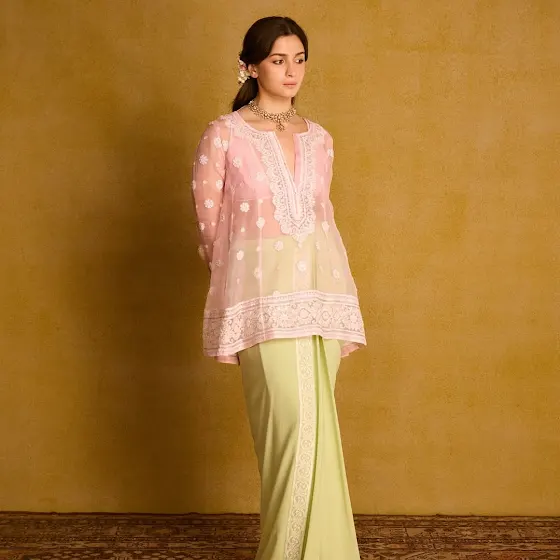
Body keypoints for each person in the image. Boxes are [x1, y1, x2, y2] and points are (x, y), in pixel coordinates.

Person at [190, 15, 366, 560]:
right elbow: (210, 228)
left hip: (323, 294)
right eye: (278, 60)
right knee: (289, 429)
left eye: (300, 59)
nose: (292, 71)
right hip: (263, 298)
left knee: (321, 430)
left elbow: (322, 217)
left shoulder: (320, 139)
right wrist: (242, 290)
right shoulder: (224, 134)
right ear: (250, 66)